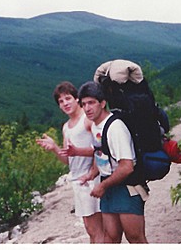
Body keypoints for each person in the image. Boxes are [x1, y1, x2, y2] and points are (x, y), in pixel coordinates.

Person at [77, 81, 147, 244]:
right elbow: (100, 153)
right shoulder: (95, 126)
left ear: (102, 103)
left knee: (135, 237)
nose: (87, 108)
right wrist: (92, 174)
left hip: (127, 187)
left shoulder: (115, 127)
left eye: (91, 103)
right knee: (111, 237)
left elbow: (127, 167)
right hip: (109, 187)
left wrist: (102, 186)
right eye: (84, 104)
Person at [36, 81, 104, 243]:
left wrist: (92, 172)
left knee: (97, 230)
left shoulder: (87, 120)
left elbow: (101, 149)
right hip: (78, 180)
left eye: (68, 98)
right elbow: (68, 160)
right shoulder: (66, 127)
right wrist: (54, 148)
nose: (65, 103)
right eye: (61, 101)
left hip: (91, 179)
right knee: (90, 229)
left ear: (77, 99)